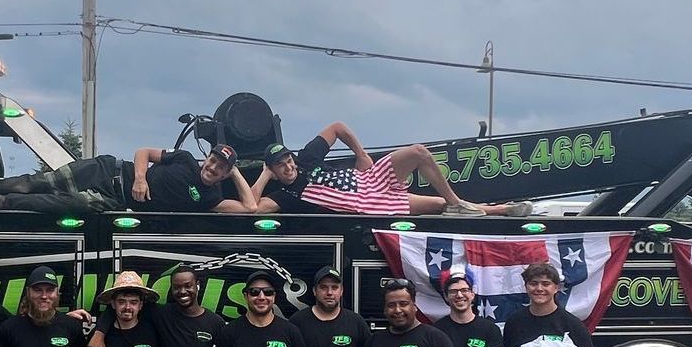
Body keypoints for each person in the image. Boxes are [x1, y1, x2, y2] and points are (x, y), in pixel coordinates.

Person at [221, 126, 530, 217]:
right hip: (366, 205)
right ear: (274, 169)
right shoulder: (286, 195)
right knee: (437, 207)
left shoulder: (308, 157)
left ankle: (459, 200)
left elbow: (338, 127)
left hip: (368, 178)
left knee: (419, 151)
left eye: (288, 161)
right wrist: (264, 175)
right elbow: (254, 207)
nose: (288, 167)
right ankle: (503, 210)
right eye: (280, 166)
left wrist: (362, 154)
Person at [0, 144, 254, 215]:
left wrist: (237, 170)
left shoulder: (212, 200)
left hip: (112, 202)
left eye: (221, 167)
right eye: (213, 159)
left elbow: (250, 209)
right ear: (207, 157)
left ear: (225, 173)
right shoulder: (183, 158)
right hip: (105, 170)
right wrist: (140, 179)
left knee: (48, 203)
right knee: (35, 182)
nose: (213, 167)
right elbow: (143, 151)